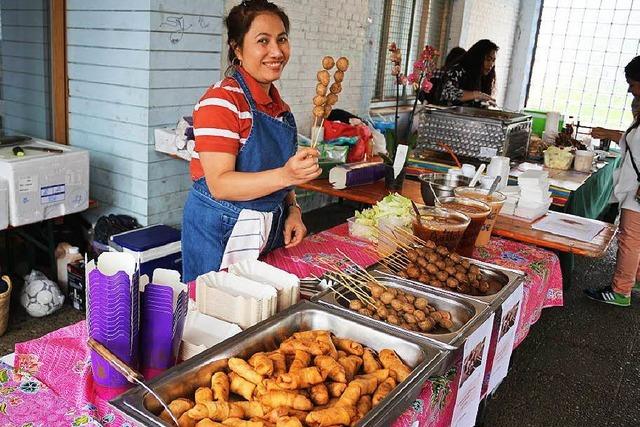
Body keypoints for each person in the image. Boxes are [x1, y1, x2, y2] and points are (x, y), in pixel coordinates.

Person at [181, 0, 321, 283]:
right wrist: (285, 175)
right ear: (237, 49)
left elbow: (281, 174)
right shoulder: (221, 101)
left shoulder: (280, 107)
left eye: (282, 39)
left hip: (269, 226)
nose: (276, 51)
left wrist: (293, 209)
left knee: (263, 312)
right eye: (262, 41)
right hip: (220, 231)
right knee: (216, 314)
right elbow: (220, 184)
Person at [585, 56, 640, 307]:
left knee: (629, 240)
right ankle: (635, 278)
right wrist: (608, 133)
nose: (630, 89)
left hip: (637, 192)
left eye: (632, 83)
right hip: (634, 187)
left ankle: (620, 291)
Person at [440, 39, 498, 107]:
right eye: (488, 59)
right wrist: (476, 95)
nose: (491, 64)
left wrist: (485, 102)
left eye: (493, 60)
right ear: (478, 58)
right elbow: (448, 93)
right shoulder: (458, 70)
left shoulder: (482, 76)